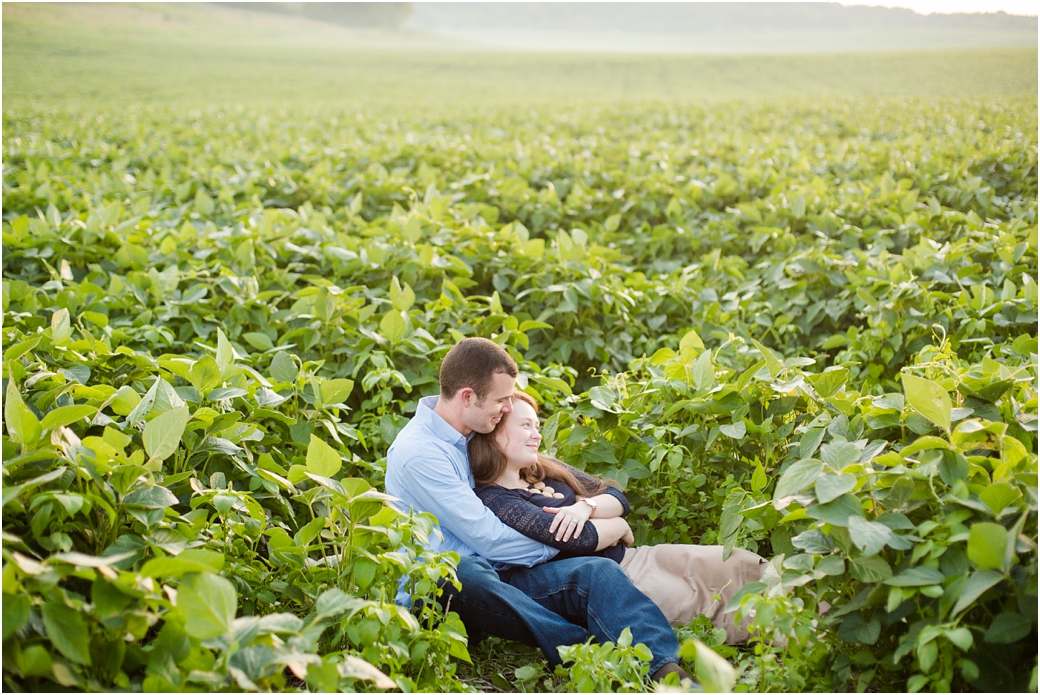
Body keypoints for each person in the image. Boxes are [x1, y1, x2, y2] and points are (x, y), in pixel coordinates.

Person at [385, 338, 693, 685]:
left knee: (596, 572)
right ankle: (583, 651)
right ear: (468, 396)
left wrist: (586, 516)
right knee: (462, 569)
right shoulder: (420, 453)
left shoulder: (473, 432)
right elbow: (491, 541)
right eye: (501, 400)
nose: (506, 408)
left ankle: (667, 670)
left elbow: (560, 478)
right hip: (442, 595)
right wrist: (585, 537)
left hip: (503, 574)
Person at [469, 390, 767, 645]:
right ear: (495, 432)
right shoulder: (496, 499)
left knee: (735, 564)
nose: (536, 435)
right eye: (525, 426)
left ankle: (809, 594)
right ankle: (801, 632)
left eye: (537, 425)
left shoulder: (543, 468)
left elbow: (616, 497)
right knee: (711, 605)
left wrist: (586, 508)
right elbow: (579, 540)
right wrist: (618, 524)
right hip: (617, 583)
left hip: (641, 555)